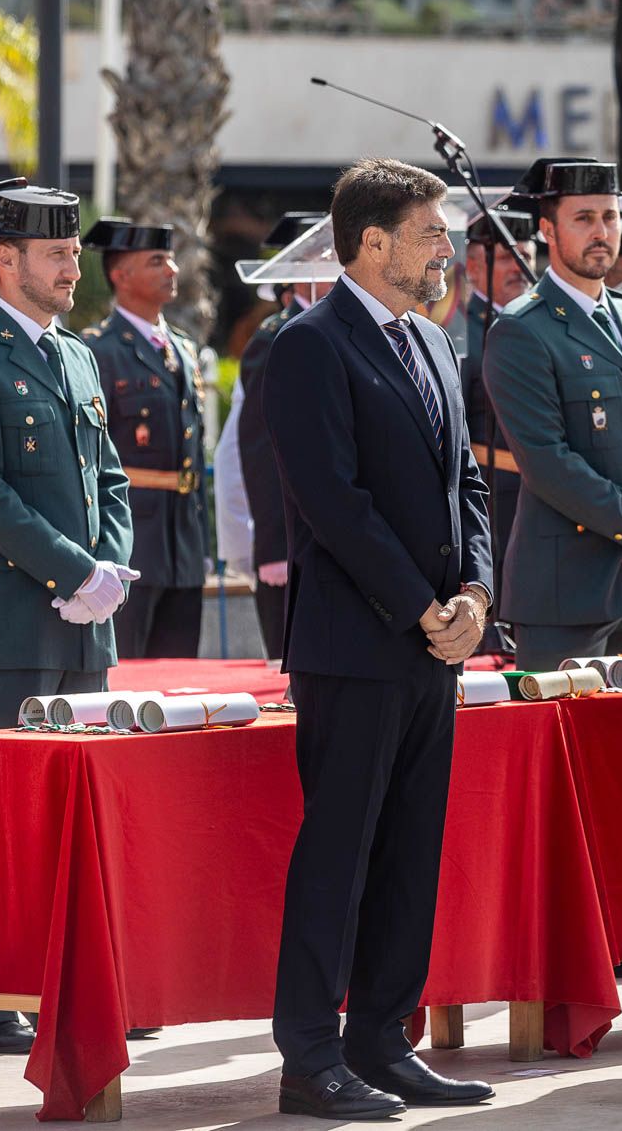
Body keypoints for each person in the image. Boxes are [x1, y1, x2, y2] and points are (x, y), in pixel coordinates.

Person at [264, 158, 496, 1118]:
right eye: (432, 233)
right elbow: (334, 504)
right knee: (342, 854)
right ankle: (310, 1056)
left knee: (410, 851)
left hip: (433, 643)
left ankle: (383, 1039)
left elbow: (469, 486)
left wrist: (476, 592)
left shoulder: (435, 345)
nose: (447, 249)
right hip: (355, 644)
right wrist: (420, 606)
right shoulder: (309, 345)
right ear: (372, 243)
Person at [0, 178, 134, 734]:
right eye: (56, 256)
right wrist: (77, 574)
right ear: (7, 260)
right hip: (12, 634)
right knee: (6, 810)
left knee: (79, 807)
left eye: (75, 254)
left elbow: (109, 480)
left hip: (88, 631)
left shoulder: (79, 355)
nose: (73, 271)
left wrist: (108, 577)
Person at [482, 160, 622, 672]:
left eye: (610, 218)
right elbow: (546, 461)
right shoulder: (522, 329)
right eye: (583, 218)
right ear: (547, 230)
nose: (602, 233)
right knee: (566, 747)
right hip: (565, 590)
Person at [78, 218, 208, 658]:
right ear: (120, 274)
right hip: (130, 538)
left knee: (178, 677)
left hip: (182, 543)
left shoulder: (184, 348)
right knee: (127, 675)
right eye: (157, 261)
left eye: (170, 259)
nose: (172, 269)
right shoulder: (98, 349)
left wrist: (201, 544)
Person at [236, 210, 326, 662]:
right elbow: (257, 446)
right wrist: (272, 546)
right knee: (287, 672)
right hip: (288, 543)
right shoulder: (275, 336)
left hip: (329, 534)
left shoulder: (334, 329)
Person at [456, 204, 537, 653]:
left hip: (541, 498)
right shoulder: (458, 330)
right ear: (472, 266)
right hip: (488, 497)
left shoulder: (538, 324)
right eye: (505, 257)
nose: (518, 267)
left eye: (524, 255)